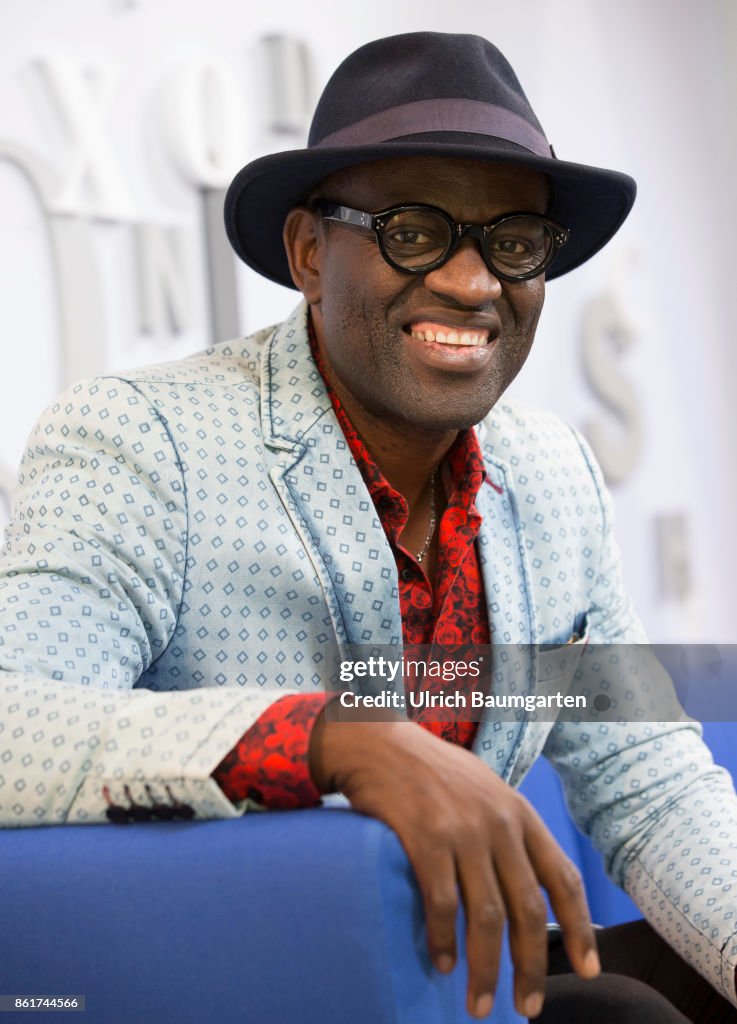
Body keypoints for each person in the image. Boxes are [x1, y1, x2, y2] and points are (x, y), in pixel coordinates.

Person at [0, 30, 735, 1024]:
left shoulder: (551, 472)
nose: (472, 284)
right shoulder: (143, 441)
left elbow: (644, 778)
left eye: (511, 240)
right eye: (413, 231)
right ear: (309, 253)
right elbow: (10, 725)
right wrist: (327, 738)